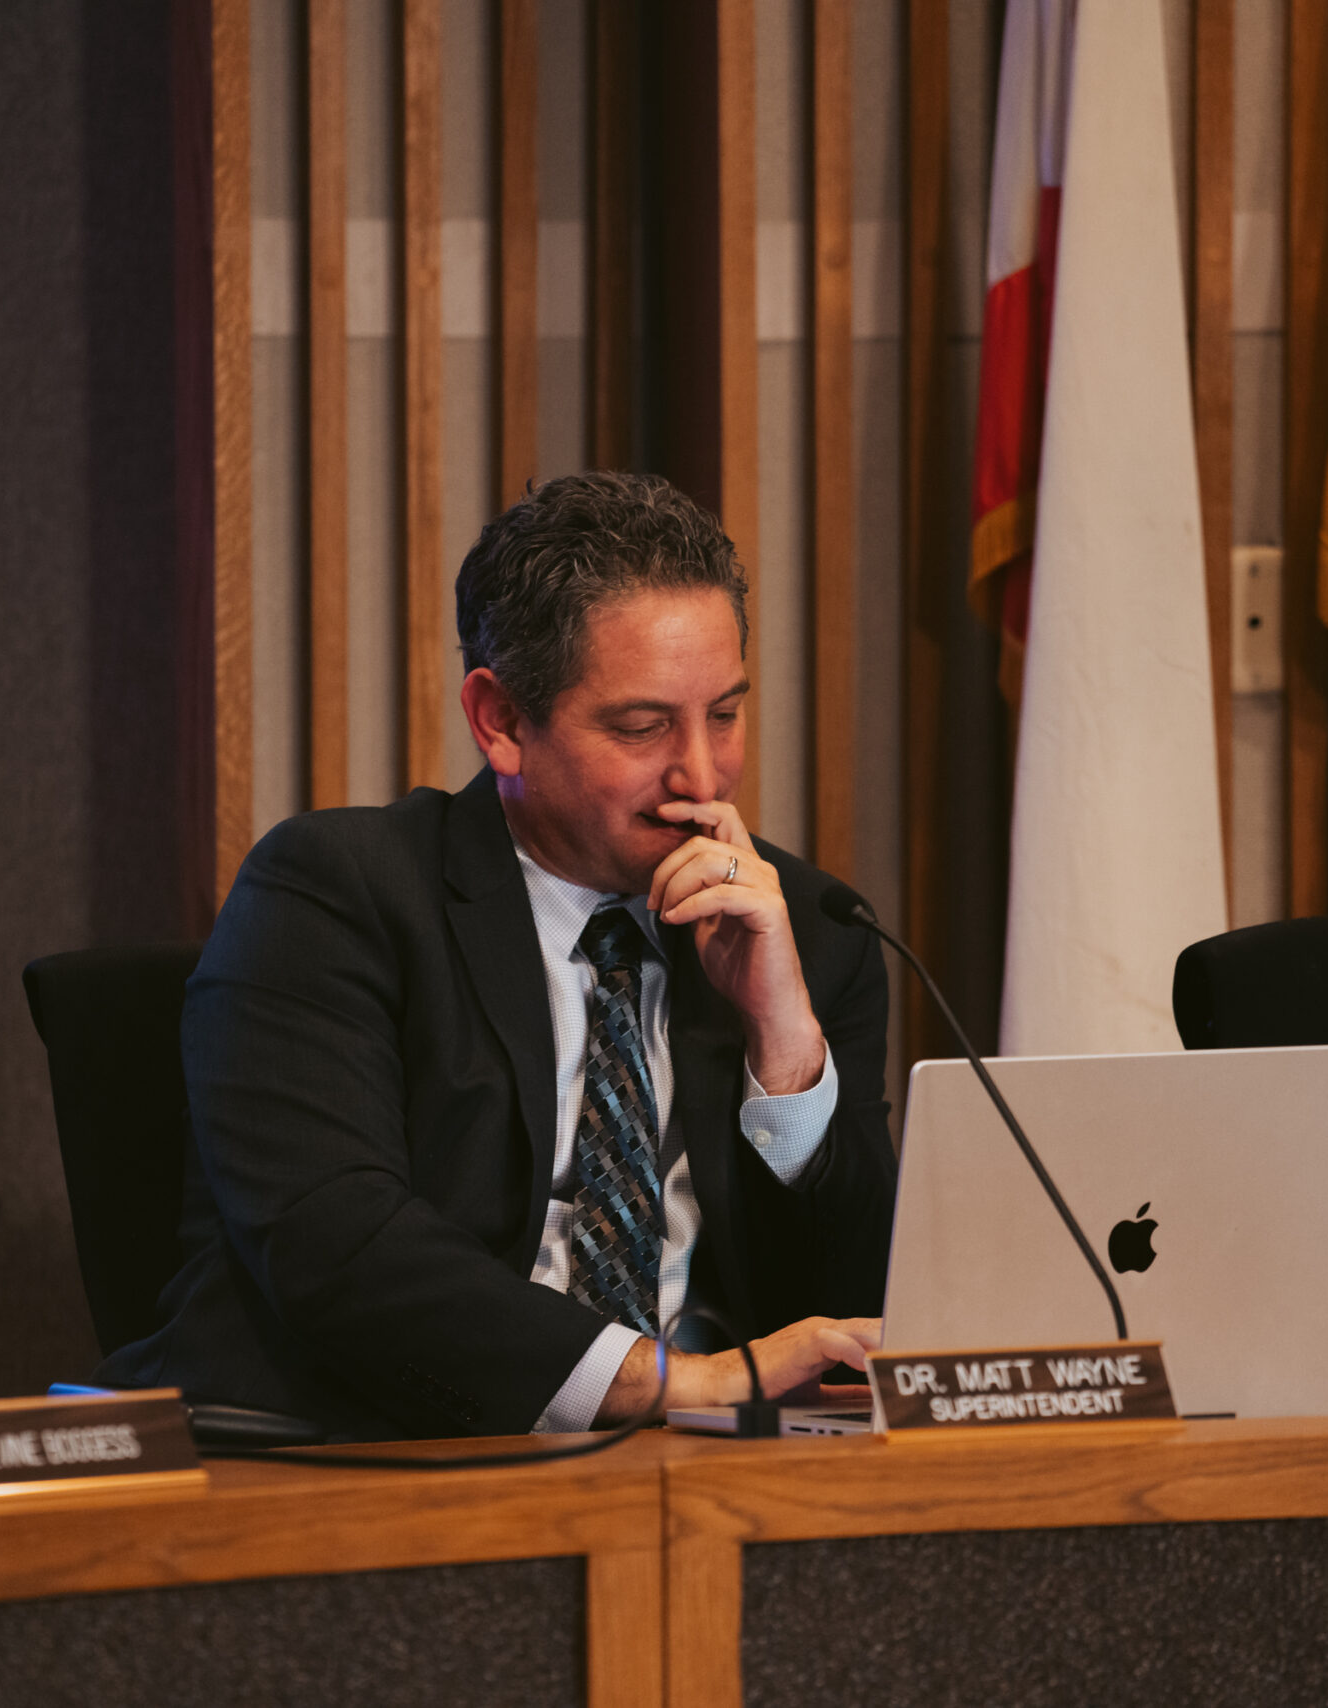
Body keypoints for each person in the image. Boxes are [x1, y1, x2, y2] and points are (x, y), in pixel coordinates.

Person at [99, 471, 895, 1438]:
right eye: (643, 727)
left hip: (706, 1482)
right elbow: (338, 1249)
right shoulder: (335, 894)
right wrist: (676, 1382)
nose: (702, 773)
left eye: (724, 714)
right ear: (502, 722)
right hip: (360, 1460)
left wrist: (784, 1045)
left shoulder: (809, 927)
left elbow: (856, 1306)